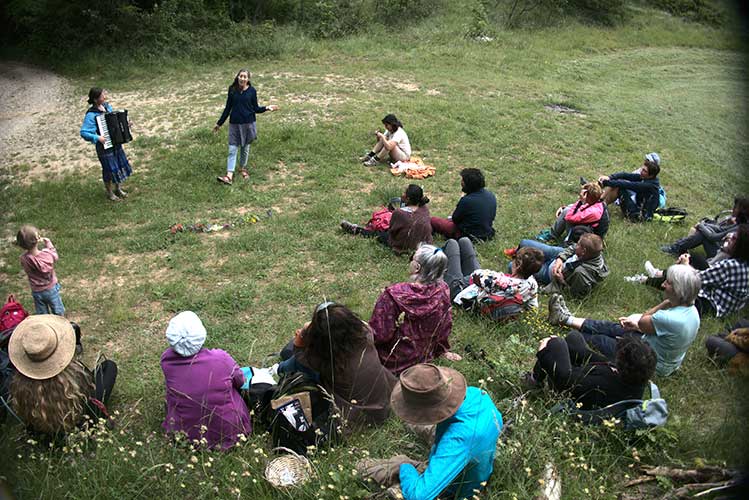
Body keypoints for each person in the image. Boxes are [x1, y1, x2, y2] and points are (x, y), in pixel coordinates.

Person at [356, 363, 503, 499]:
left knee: (364, 467)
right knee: (415, 425)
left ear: (429, 411)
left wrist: (405, 467)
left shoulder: (456, 441)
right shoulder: (477, 395)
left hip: (456, 484)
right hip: (471, 452)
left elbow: (419, 496)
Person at [547, 264, 701, 377]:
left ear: (678, 290)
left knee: (602, 340)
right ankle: (566, 319)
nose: (662, 285)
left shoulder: (668, 317)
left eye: (668, 283)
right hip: (662, 354)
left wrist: (665, 303)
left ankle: (570, 336)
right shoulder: (693, 312)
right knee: (616, 327)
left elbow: (643, 320)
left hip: (647, 361)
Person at [277, 302, 396, 426]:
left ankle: (278, 369)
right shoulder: (366, 335)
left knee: (289, 354)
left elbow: (298, 353)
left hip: (362, 417)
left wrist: (303, 332)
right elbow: (362, 323)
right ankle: (280, 367)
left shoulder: (326, 361)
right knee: (291, 353)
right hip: (385, 403)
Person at [9, 315, 117, 435]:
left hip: (45, 434)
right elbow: (88, 389)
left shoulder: (19, 383)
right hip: (80, 425)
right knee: (109, 367)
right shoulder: (74, 376)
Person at [161, 311, 251, 450]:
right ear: (201, 335)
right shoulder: (221, 359)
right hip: (229, 432)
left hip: (185, 435)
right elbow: (240, 381)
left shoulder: (166, 361)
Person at [369, 244, 456, 375]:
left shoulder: (394, 295)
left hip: (393, 362)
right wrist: (441, 350)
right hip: (424, 357)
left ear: (417, 267)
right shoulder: (443, 290)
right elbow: (444, 326)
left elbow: (380, 335)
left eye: (412, 259)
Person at [526, 332, 657, 409]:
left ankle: (534, 380)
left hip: (571, 388)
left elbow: (565, 381)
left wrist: (545, 351)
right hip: (588, 378)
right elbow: (599, 360)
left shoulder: (601, 383)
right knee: (574, 338)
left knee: (556, 343)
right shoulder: (634, 380)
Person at [445, 237, 544, 321]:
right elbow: (533, 306)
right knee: (464, 241)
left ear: (517, 266)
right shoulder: (532, 284)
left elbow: (475, 275)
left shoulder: (499, 281)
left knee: (452, 243)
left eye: (514, 257)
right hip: (477, 286)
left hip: (462, 292)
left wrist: (489, 275)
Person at [214, 69, 278, 185]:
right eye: (241, 76)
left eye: (245, 77)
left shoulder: (252, 91)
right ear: (237, 77)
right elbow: (228, 108)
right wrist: (219, 123)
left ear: (248, 79)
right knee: (232, 149)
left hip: (248, 124)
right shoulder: (232, 90)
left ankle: (242, 168)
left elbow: (256, 108)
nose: (242, 78)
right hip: (234, 125)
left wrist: (267, 108)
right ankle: (229, 176)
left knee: (245, 149)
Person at [340, 184, 433, 254]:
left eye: (404, 192)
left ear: (408, 199)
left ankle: (356, 230)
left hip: (404, 245)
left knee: (379, 234)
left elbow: (392, 231)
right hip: (422, 245)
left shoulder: (400, 213)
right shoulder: (424, 209)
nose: (402, 194)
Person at [509, 233, 608, 298]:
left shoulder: (582, 274)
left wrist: (561, 280)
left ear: (583, 251)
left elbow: (575, 295)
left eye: (578, 244)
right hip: (559, 255)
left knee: (512, 266)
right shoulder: (592, 252)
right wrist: (560, 259)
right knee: (524, 243)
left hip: (549, 273)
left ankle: (522, 258)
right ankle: (518, 254)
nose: (575, 245)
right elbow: (573, 248)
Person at [79, 87, 133, 201]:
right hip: (104, 147)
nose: (105, 97)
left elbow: (115, 122)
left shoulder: (107, 107)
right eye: (102, 95)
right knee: (108, 170)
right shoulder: (91, 115)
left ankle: (118, 189)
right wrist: (97, 137)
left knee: (118, 165)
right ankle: (110, 193)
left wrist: (126, 124)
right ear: (95, 99)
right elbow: (84, 132)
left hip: (115, 143)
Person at [661, 196, 749, 257]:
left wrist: (701, 226)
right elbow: (720, 229)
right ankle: (678, 247)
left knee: (703, 235)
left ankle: (676, 248)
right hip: (723, 250)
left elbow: (713, 237)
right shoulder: (740, 223)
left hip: (723, 256)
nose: (733, 209)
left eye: (736, 207)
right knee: (704, 231)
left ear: (743, 211)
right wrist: (705, 224)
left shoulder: (741, 227)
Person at [430, 168, 497, 241]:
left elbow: (455, 219)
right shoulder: (491, 195)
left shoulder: (467, 201)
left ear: (468, 184)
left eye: (463, 181)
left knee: (433, 220)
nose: (461, 182)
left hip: (467, 235)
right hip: (486, 232)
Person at [16, 225, 64, 316]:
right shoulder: (46, 254)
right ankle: (60, 324)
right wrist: (49, 244)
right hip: (51, 289)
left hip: (37, 291)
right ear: (37, 240)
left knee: (42, 313)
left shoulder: (24, 259)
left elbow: (30, 258)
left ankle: (44, 326)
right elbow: (55, 256)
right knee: (57, 310)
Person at [538, 182, 609, 243]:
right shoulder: (597, 203)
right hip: (588, 230)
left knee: (566, 212)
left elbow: (569, 217)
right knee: (569, 208)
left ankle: (553, 236)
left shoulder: (593, 212)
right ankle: (553, 233)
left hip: (588, 240)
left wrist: (580, 201)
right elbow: (582, 209)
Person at [598, 152, 661, 221]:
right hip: (637, 206)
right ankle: (600, 202)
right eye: (642, 169)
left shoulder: (649, 185)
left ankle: (600, 204)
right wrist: (609, 177)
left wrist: (605, 183)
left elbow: (627, 185)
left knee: (619, 185)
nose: (641, 172)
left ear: (651, 175)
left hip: (638, 215)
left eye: (644, 171)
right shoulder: (647, 178)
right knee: (618, 183)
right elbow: (625, 175)